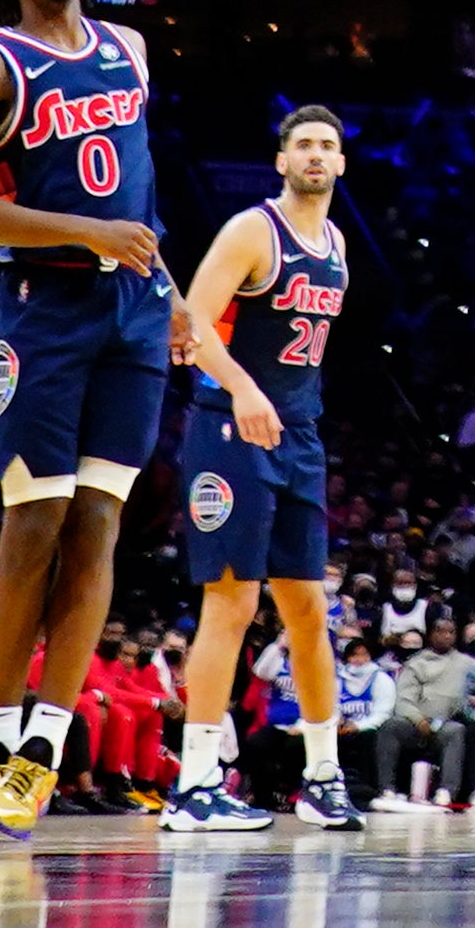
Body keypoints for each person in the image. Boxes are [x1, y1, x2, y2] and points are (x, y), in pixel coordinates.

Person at [0, 0, 175, 839]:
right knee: (32, 525)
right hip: (45, 309)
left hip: (135, 310)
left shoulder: (130, 49)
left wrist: (175, 294)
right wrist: (85, 229)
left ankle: (44, 751)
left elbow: (142, 193)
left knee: (101, 522)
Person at [165, 102, 368, 833]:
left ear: (341, 162)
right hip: (229, 428)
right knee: (232, 603)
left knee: (310, 609)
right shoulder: (254, 228)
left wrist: (280, 403)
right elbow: (185, 326)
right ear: (280, 159)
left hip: (298, 433)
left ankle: (321, 775)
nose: (316, 154)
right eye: (303, 144)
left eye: (327, 145)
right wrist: (245, 389)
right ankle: (193, 784)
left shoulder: (337, 240)